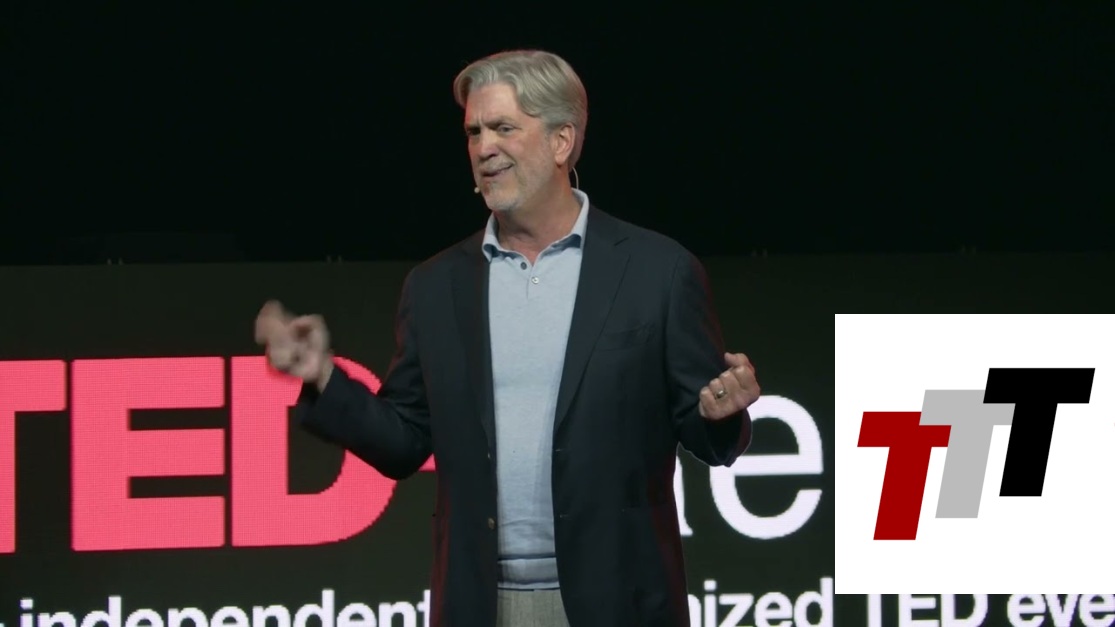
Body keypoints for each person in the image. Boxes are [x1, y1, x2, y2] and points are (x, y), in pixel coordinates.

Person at [254, 49, 759, 627]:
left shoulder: (657, 271)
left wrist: (720, 414)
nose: (483, 148)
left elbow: (709, 436)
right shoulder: (436, 286)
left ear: (562, 141)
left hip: (620, 603)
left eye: (503, 128)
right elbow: (403, 442)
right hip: (482, 605)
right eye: (473, 132)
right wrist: (323, 377)